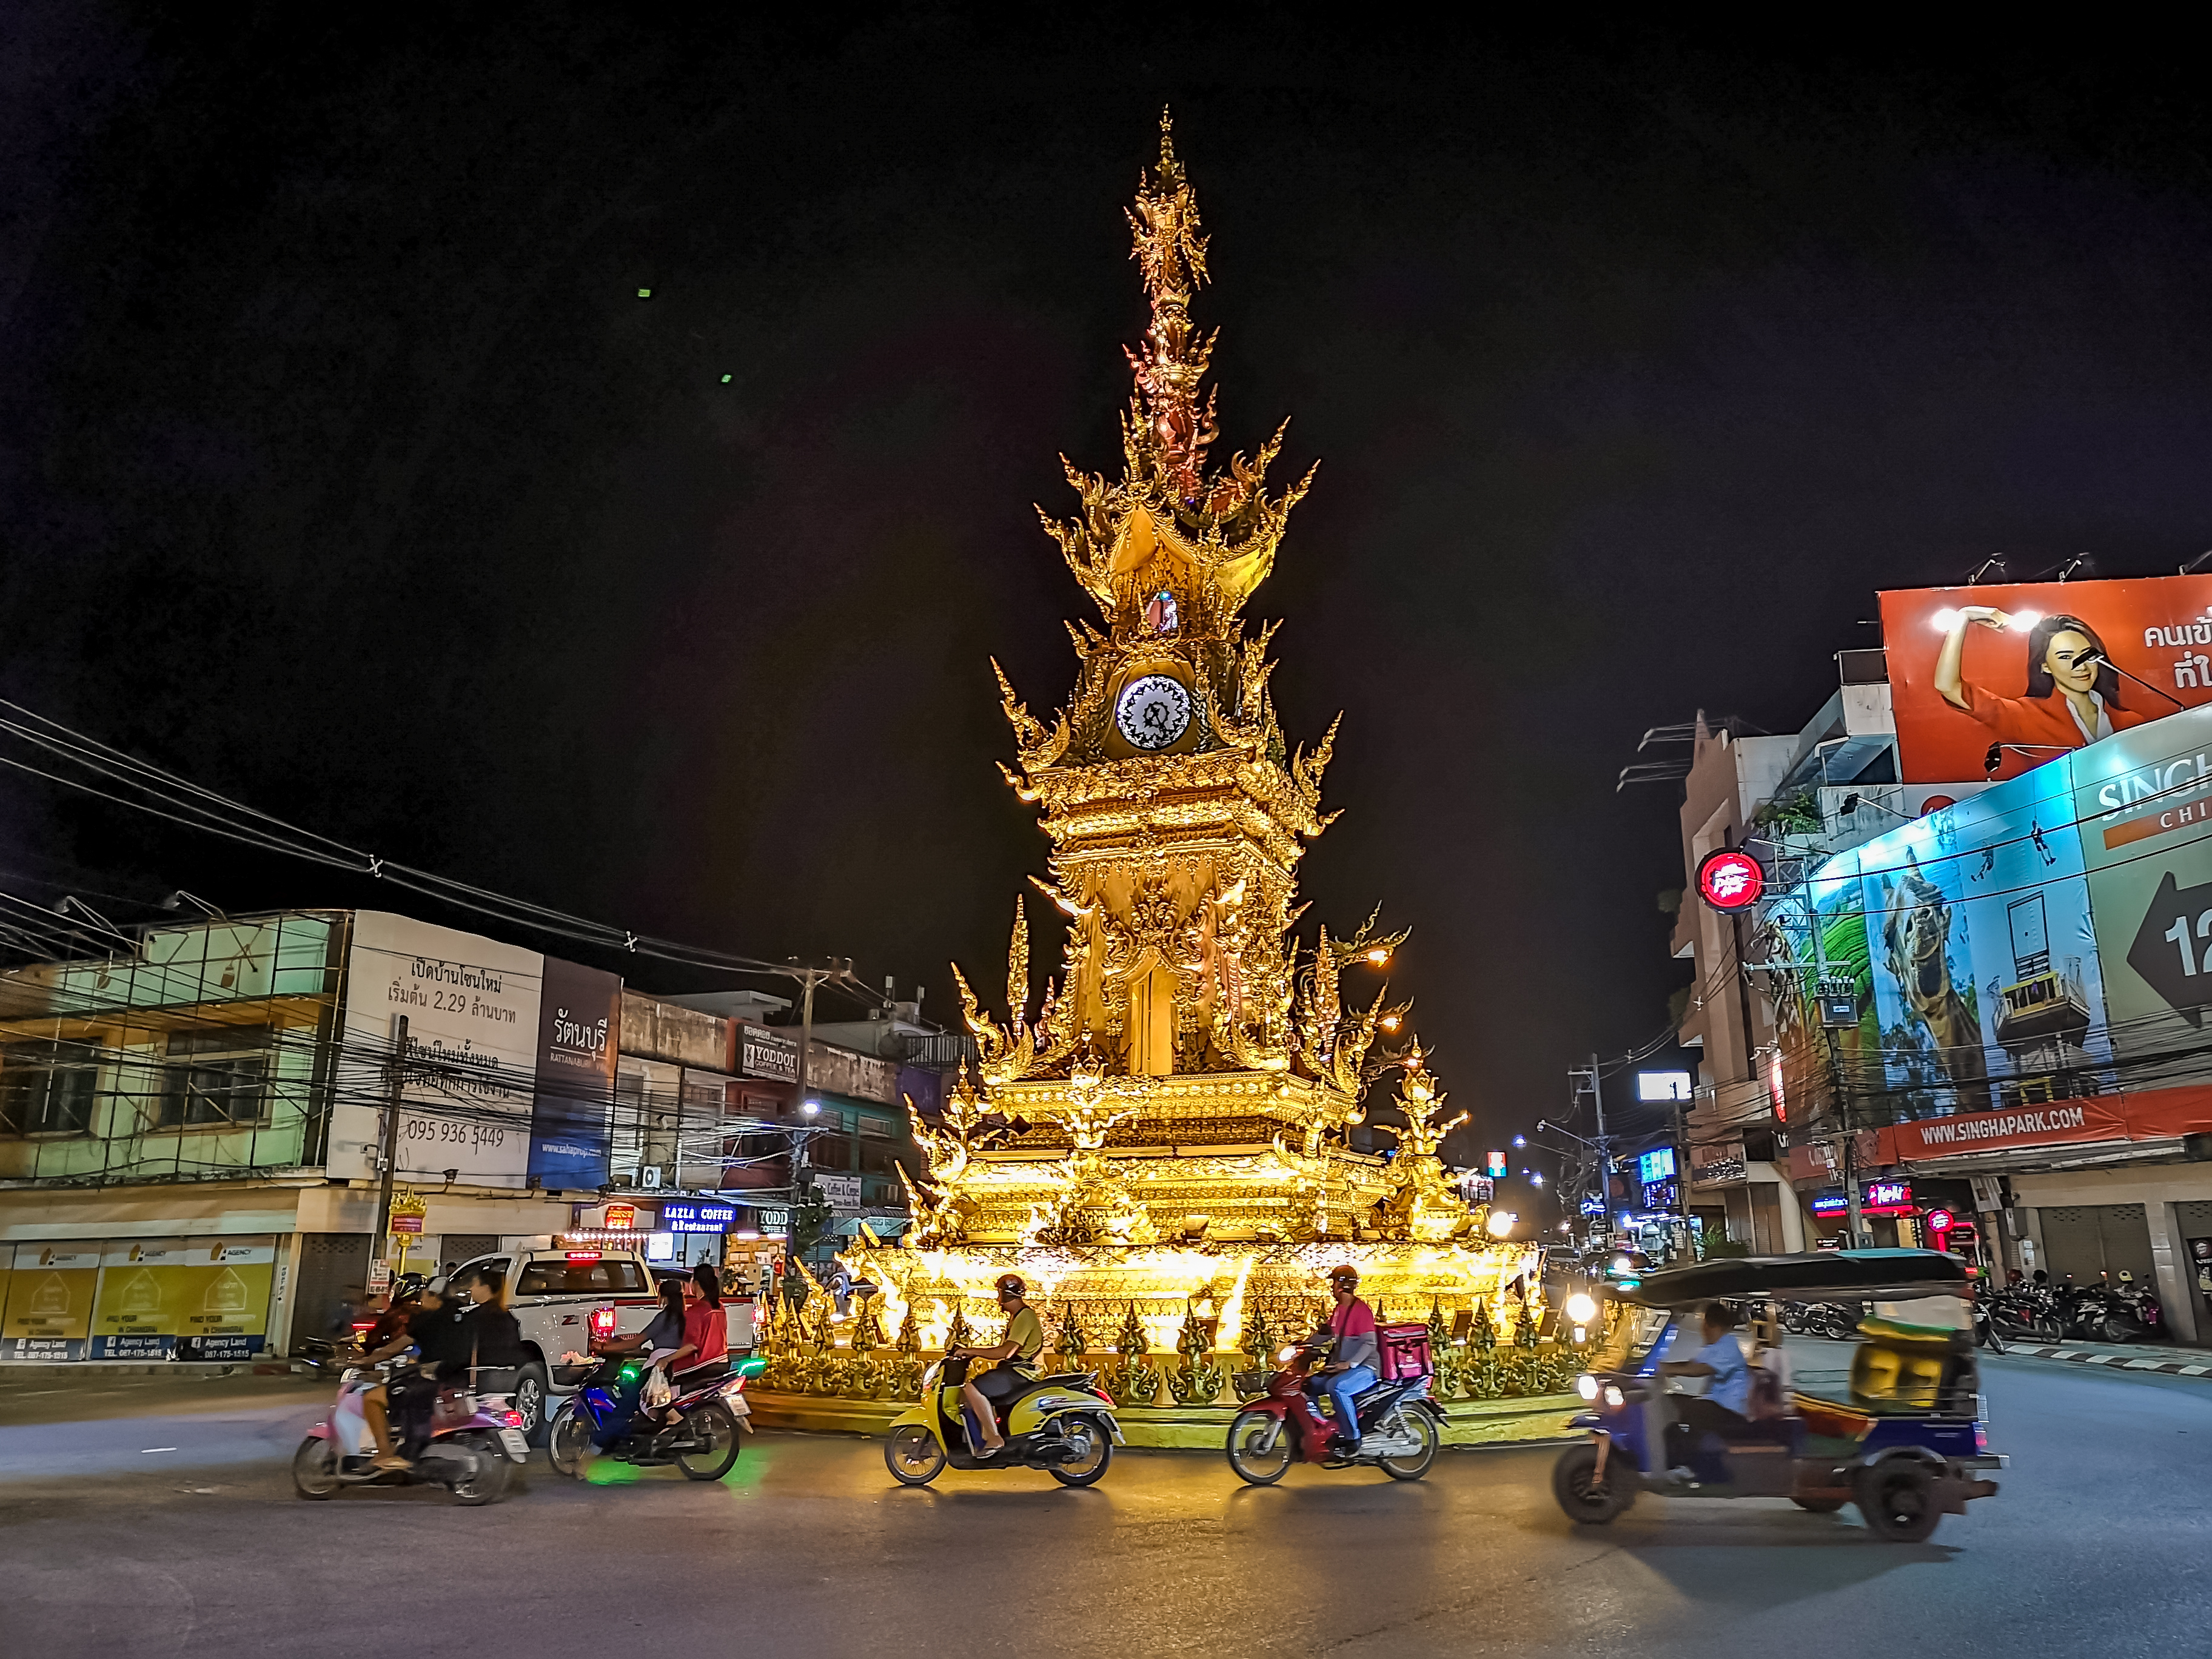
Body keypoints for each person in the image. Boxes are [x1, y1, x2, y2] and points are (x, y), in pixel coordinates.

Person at [1932, 607, 2150, 759]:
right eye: (2065, 657)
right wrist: (1964, 617)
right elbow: (1949, 686)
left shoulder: (2131, 722)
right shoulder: (2026, 716)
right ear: (2045, 665)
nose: (2082, 667)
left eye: (2087, 656)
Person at [586, 1277, 691, 1449]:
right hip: (676, 1365)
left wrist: (604, 1347)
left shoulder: (664, 1318)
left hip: (658, 1368)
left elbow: (635, 1342)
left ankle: (603, 1441)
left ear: (663, 1297)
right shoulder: (685, 1319)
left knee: (628, 1400)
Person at [950, 1273, 1044, 1458]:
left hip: (1023, 1373)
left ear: (1006, 1295)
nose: (998, 1299)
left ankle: (995, 1439)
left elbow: (1004, 1352)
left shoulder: (1025, 1316)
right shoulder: (1018, 1316)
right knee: (967, 1397)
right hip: (1016, 1370)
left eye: (999, 1293)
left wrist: (971, 1351)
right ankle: (980, 1439)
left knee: (972, 1388)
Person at [1657, 1300, 1753, 1480]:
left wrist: (1662, 1368)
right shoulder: (1716, 1346)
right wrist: (1663, 1368)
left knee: (1696, 1409)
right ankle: (1667, 1459)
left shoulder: (1727, 1346)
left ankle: (1688, 1466)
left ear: (1710, 1325)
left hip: (1731, 1412)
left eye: (1703, 1325)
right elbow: (1690, 1365)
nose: (1702, 1330)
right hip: (1717, 1405)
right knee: (1671, 1401)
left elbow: (1698, 1370)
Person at [1309, 1265, 1379, 1456]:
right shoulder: (1340, 1310)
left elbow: (1369, 1343)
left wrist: (1350, 1364)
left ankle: (1353, 1437)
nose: (1331, 1288)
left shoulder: (1361, 1310)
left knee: (1338, 1387)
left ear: (1342, 1285)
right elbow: (1326, 1332)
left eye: (1333, 1283)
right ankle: (1326, 1428)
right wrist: (1302, 1345)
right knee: (1309, 1385)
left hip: (1366, 1368)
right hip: (1344, 1366)